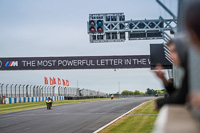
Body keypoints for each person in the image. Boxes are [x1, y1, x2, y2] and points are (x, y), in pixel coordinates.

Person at [154, 35, 189, 110]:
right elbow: (178, 94)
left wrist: (159, 102)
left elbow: (179, 99)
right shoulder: (188, 70)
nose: (170, 56)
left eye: (174, 51)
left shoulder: (192, 71)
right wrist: (163, 79)